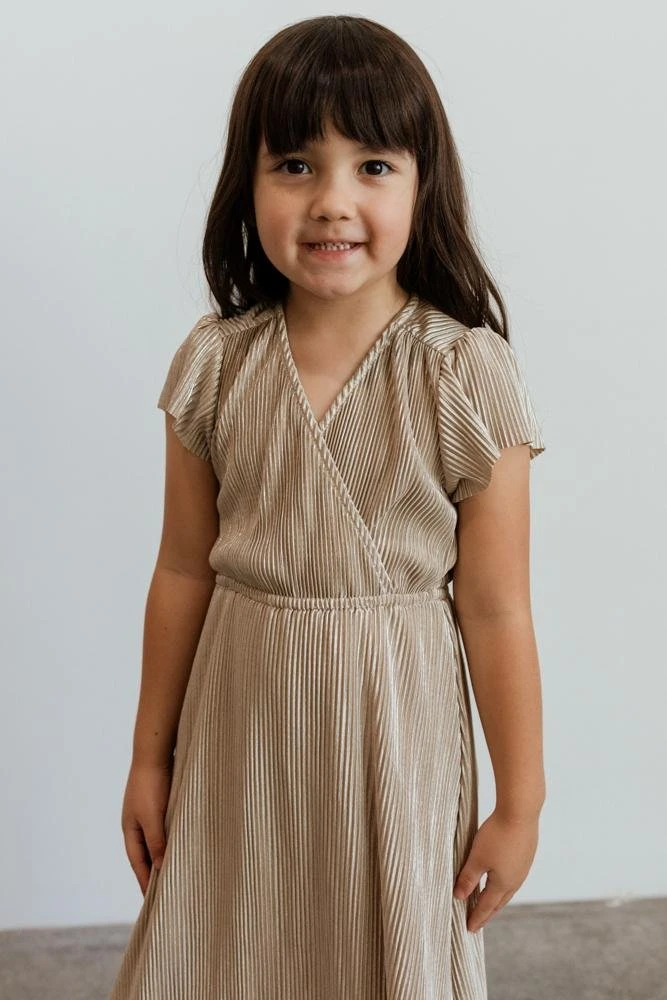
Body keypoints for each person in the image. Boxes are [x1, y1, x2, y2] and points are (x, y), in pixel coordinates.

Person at [109, 14, 546, 1000]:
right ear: (248, 183)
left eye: (373, 166)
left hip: (396, 731)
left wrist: (519, 804)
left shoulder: (463, 374)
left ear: (424, 185)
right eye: (295, 165)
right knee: (227, 944)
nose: (331, 201)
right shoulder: (216, 364)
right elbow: (180, 567)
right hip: (240, 723)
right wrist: (148, 757)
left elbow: (495, 608)